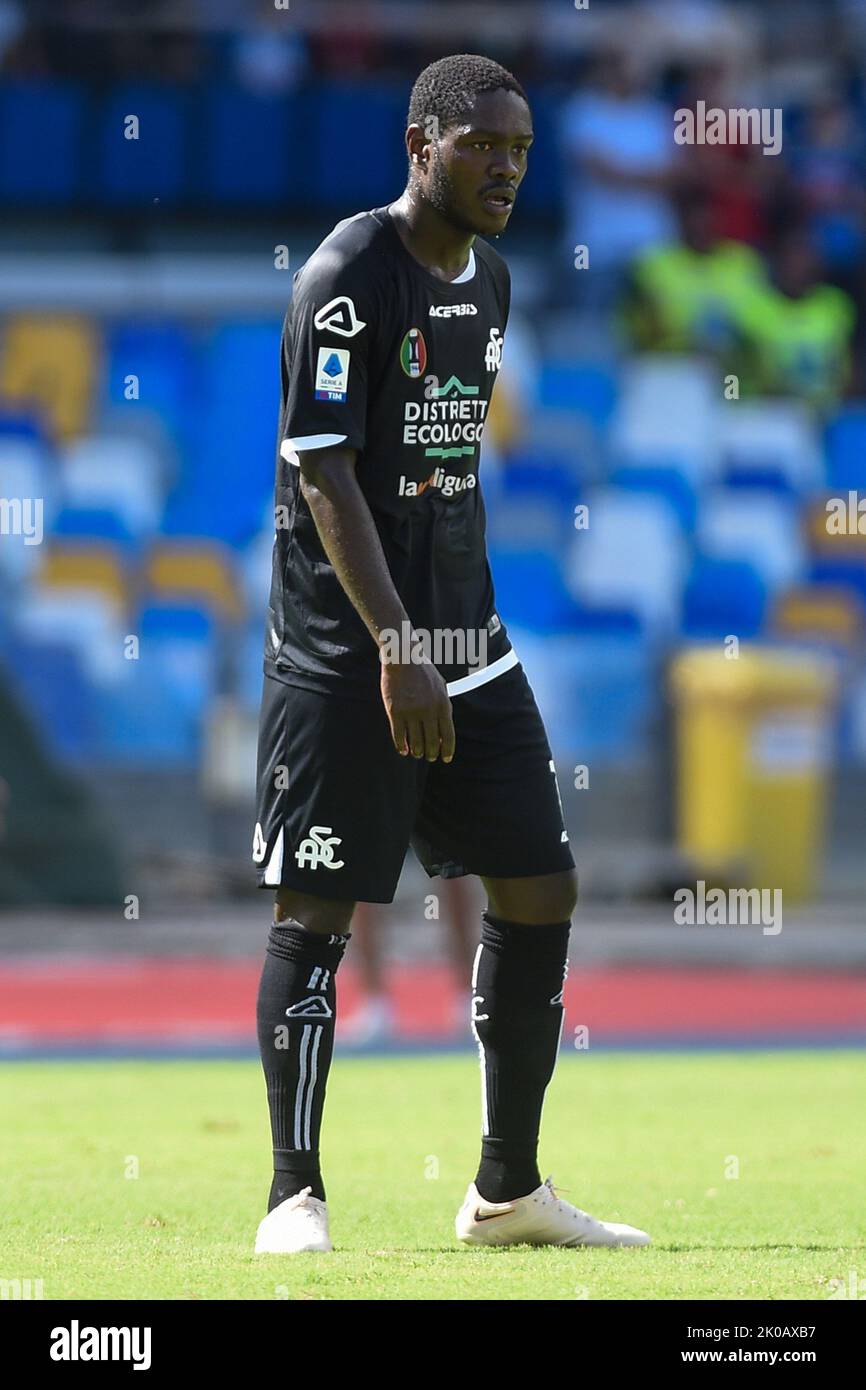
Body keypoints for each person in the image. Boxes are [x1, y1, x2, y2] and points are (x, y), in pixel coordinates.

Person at [251, 53, 650, 1254]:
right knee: (314, 909)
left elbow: (445, 473)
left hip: (468, 646)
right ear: (421, 143)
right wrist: (392, 645)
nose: (507, 170)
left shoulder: (496, 282)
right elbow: (321, 465)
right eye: (484, 146)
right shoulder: (343, 278)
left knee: (539, 886)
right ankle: (292, 1197)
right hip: (346, 654)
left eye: (521, 152)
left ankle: (506, 1189)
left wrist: (442, 638)